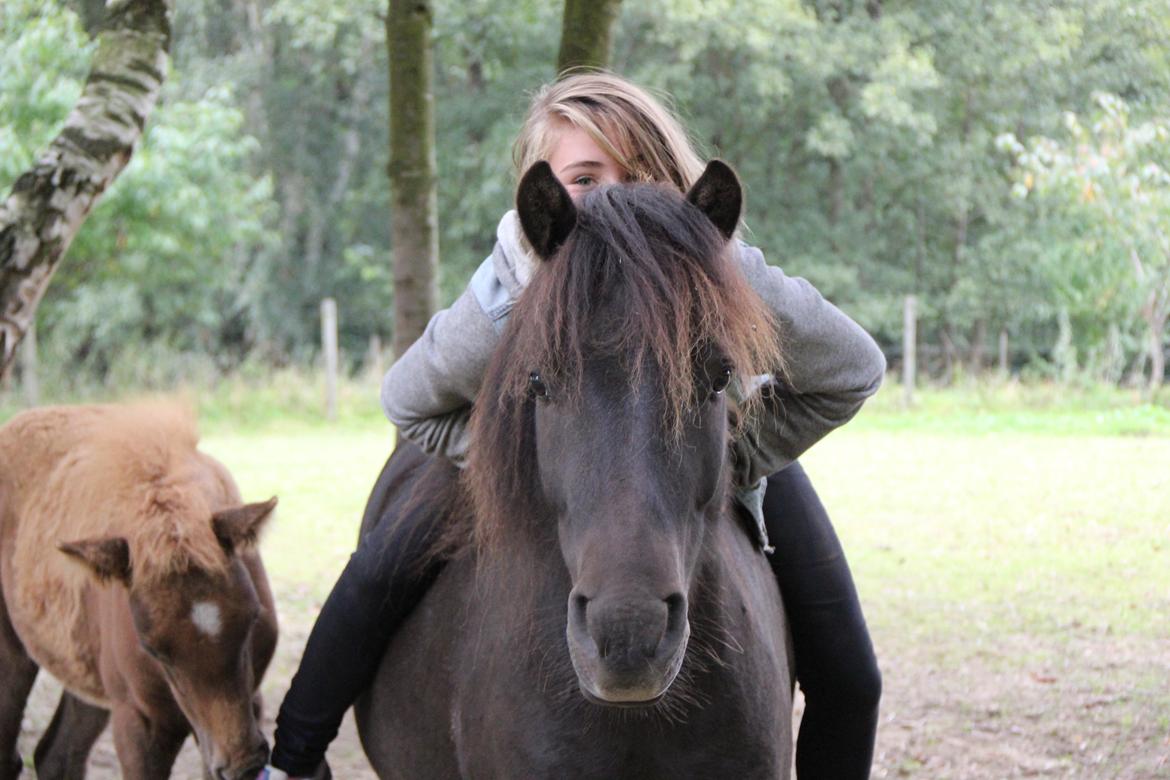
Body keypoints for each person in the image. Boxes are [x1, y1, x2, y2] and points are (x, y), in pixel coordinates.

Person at [260, 71, 884, 780]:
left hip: (698, 448)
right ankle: (292, 761)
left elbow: (852, 368)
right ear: (545, 195)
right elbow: (407, 403)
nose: (614, 196)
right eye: (586, 177)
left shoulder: (718, 266)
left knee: (852, 674)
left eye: (640, 172)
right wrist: (520, 461)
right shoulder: (511, 289)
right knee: (378, 574)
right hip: (534, 445)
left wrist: (726, 459)